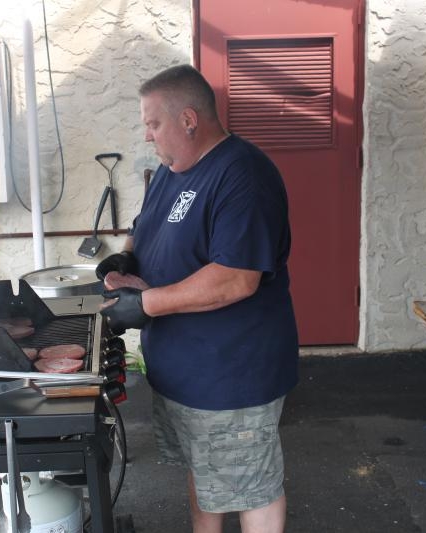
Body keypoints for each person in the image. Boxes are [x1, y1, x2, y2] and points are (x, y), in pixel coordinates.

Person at [98, 64, 299, 533]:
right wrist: (125, 260)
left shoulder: (242, 175)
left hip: (232, 373)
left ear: (188, 119)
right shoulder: (173, 169)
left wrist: (144, 306)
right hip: (185, 370)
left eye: (153, 123)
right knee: (206, 473)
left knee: (252, 486)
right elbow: (146, 228)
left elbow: (235, 279)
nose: (148, 135)